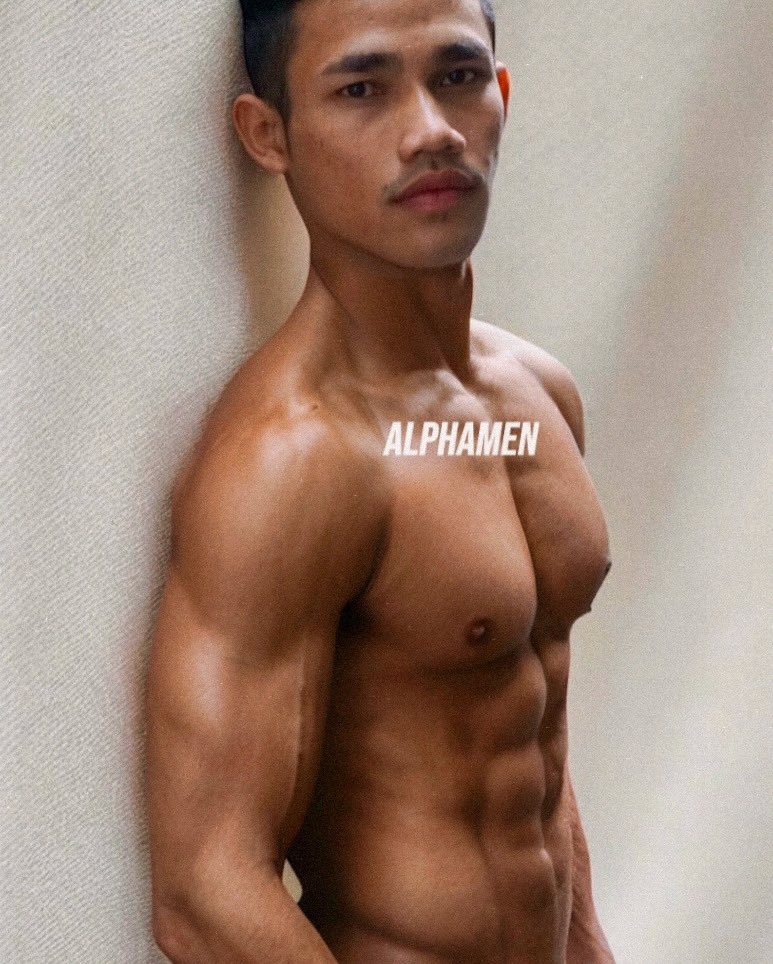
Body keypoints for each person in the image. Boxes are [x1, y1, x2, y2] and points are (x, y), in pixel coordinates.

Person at [145, 0, 616, 960]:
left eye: (458, 77)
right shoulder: (293, 459)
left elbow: (525, 730)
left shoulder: (538, 397)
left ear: (501, 94)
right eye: (362, 89)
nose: (430, 130)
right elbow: (204, 892)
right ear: (268, 134)